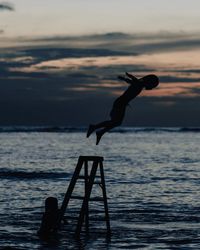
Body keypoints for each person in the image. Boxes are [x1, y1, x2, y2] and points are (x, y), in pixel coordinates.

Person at [87, 72, 159, 145]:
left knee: (116, 122)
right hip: (120, 103)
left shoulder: (138, 84)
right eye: (152, 85)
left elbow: (133, 81)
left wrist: (127, 78)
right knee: (116, 122)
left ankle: (99, 131)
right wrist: (129, 77)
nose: (151, 88)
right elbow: (135, 81)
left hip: (122, 103)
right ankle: (95, 128)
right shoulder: (139, 84)